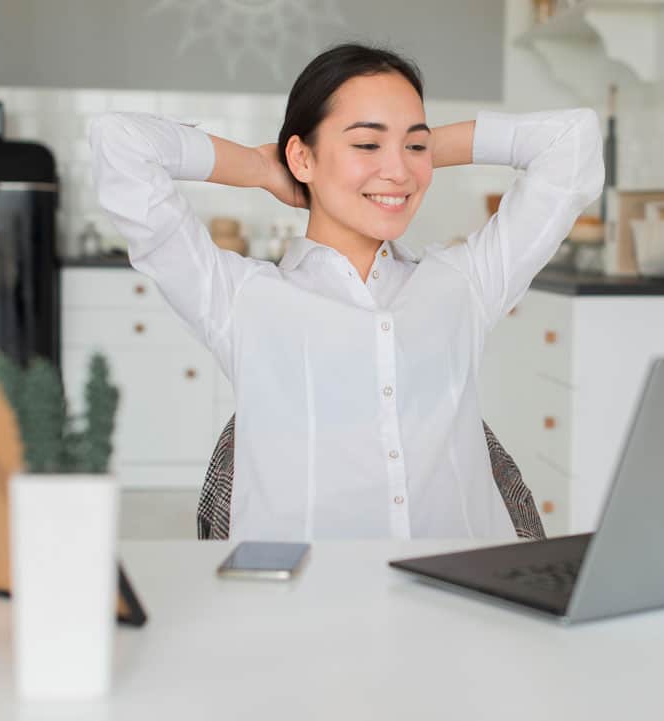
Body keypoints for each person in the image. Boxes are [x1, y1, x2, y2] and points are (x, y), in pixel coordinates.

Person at [90, 43, 603, 542]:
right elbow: (121, 143)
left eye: (414, 145)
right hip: (305, 604)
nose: (399, 171)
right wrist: (263, 168)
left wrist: (413, 151)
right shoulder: (239, 297)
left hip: (463, 591)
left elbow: (572, 142)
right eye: (365, 143)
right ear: (302, 157)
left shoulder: (465, 282)